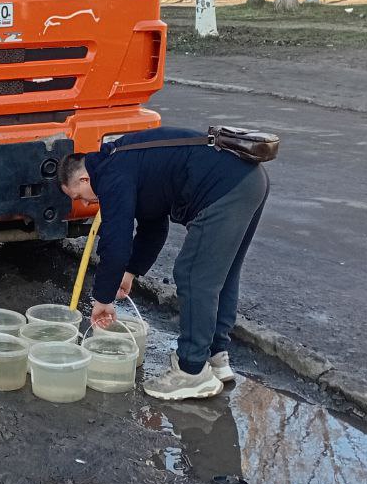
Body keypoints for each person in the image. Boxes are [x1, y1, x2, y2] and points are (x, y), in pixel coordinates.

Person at [58, 126, 270, 401]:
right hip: (248, 180)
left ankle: (192, 372)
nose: (83, 203)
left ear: (85, 179)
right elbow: (153, 228)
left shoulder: (110, 175)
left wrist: (103, 298)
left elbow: (115, 241)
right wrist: (131, 271)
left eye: (78, 196)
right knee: (222, 275)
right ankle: (216, 358)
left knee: (193, 275)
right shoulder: (125, 162)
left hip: (223, 190)